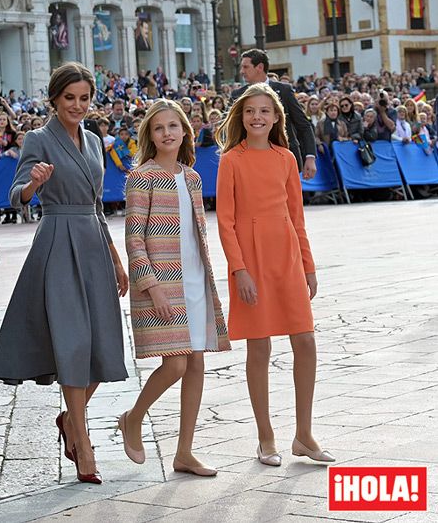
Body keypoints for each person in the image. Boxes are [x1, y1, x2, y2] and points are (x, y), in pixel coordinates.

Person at [0, 62, 129, 485]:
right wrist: (33, 183)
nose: (78, 106)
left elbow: (98, 204)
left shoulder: (93, 139)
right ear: (54, 99)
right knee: (72, 342)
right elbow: (16, 197)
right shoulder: (38, 138)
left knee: (103, 347)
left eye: (85, 98)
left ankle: (71, 419)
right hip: (56, 241)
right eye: (70, 98)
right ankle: (83, 445)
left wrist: (116, 258)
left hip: (93, 241)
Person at [215, 83, 335, 467]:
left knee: (306, 340)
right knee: (259, 346)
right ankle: (265, 437)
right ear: (241, 116)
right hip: (251, 259)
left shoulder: (286, 158)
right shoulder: (231, 160)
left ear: (276, 117)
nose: (257, 117)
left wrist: (309, 265)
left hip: (286, 256)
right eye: (250, 111)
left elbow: (297, 218)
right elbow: (226, 222)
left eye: (265, 111)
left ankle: (304, 434)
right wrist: (239, 270)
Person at [120, 99, 230, 476]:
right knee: (177, 363)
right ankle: (133, 418)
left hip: (196, 278)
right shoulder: (142, 176)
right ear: (150, 135)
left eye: (173, 126)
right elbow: (134, 239)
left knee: (196, 361)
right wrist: (152, 287)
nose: (167, 133)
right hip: (162, 283)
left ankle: (184, 452)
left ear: (185, 131)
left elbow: (196, 232)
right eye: (158, 128)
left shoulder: (193, 177)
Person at [231, 49, 317, 179]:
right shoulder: (238, 95)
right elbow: (233, 129)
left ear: (260, 67)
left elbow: (303, 125)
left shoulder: (284, 90)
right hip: (251, 160)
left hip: (284, 157)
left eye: (246, 67)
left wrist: (310, 157)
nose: (242, 71)